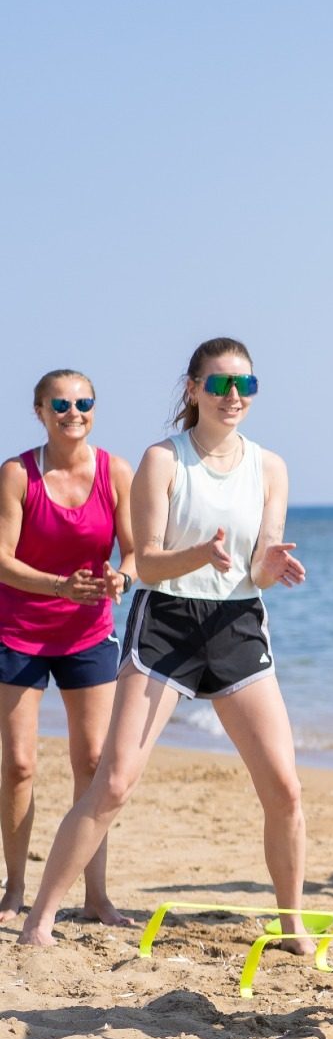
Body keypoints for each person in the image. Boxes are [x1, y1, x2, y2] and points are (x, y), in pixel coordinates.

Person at [17, 338, 312, 950]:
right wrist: (197, 554)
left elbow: (255, 570)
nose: (234, 397)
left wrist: (272, 564)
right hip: (167, 625)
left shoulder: (271, 466)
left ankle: (292, 927)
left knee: (284, 786)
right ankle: (39, 919)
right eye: (221, 384)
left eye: (246, 386)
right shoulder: (164, 459)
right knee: (116, 779)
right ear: (193, 389)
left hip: (237, 626)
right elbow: (145, 564)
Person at [0, 371, 135, 926]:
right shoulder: (16, 474)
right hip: (18, 631)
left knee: (94, 763)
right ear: (40, 410)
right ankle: (14, 889)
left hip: (88, 634)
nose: (73, 411)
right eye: (61, 402)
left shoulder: (115, 471)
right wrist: (58, 586)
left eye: (84, 402)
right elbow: (2, 558)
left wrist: (122, 578)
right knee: (19, 764)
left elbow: (136, 552)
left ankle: (95, 896)